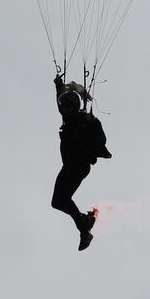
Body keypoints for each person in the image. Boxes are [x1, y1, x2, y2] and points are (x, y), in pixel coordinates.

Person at [51, 72, 112, 251]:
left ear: (74, 106)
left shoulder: (86, 121)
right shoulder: (68, 117)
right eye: (63, 107)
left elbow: (101, 141)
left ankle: (85, 230)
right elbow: (60, 102)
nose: (64, 109)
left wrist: (91, 131)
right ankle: (86, 220)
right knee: (57, 202)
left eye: (67, 107)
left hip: (79, 166)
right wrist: (58, 85)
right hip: (69, 166)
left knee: (62, 199)